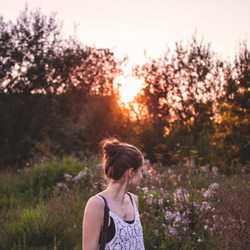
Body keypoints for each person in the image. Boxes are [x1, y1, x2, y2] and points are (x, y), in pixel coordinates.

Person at [82, 139, 145, 250]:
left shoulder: (133, 200)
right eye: (141, 171)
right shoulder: (97, 205)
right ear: (131, 172)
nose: (142, 177)